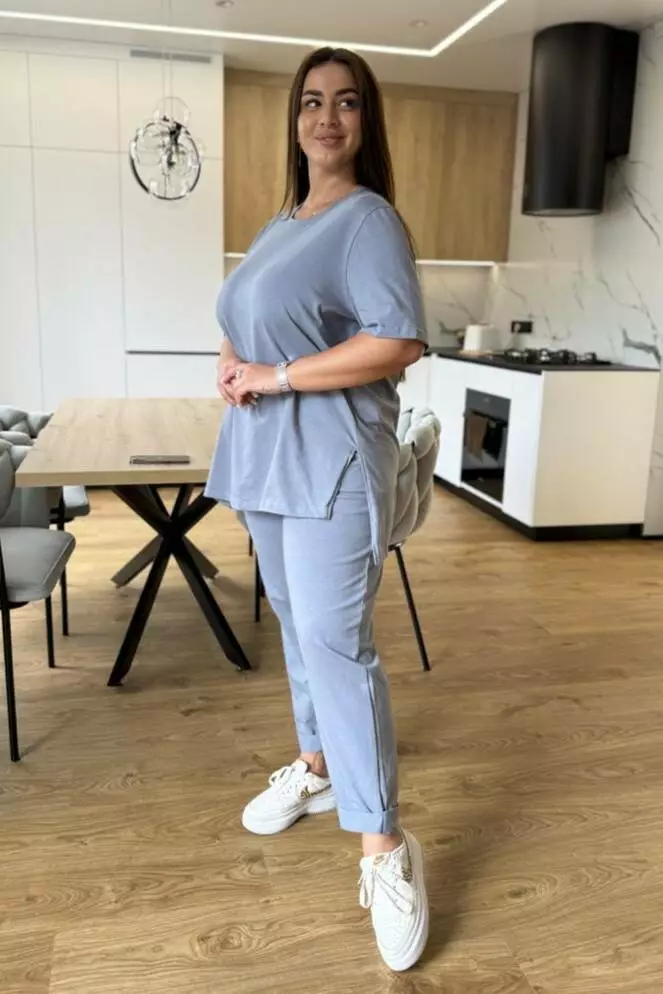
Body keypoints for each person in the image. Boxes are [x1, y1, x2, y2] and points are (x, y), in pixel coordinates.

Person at [205, 46, 429, 972]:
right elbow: (244, 319)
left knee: (338, 645)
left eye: (345, 103)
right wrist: (231, 362)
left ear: (365, 121)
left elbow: (397, 340)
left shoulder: (366, 219)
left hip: (333, 462)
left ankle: (383, 845)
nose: (325, 118)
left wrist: (276, 375)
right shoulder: (278, 223)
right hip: (266, 459)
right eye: (310, 102)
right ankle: (320, 766)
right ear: (293, 121)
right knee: (297, 630)